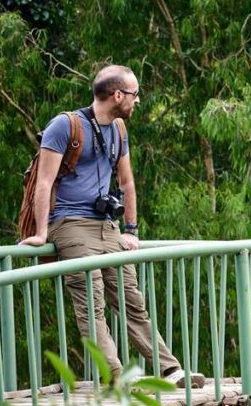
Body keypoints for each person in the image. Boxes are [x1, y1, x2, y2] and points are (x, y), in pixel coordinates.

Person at [19, 64, 203, 388]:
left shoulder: (118, 129)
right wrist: (42, 234)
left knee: (133, 301)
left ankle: (171, 371)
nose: (138, 101)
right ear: (117, 95)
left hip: (108, 227)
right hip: (71, 224)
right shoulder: (65, 126)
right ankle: (117, 378)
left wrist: (131, 230)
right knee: (92, 304)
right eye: (134, 94)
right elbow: (43, 182)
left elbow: (127, 181)